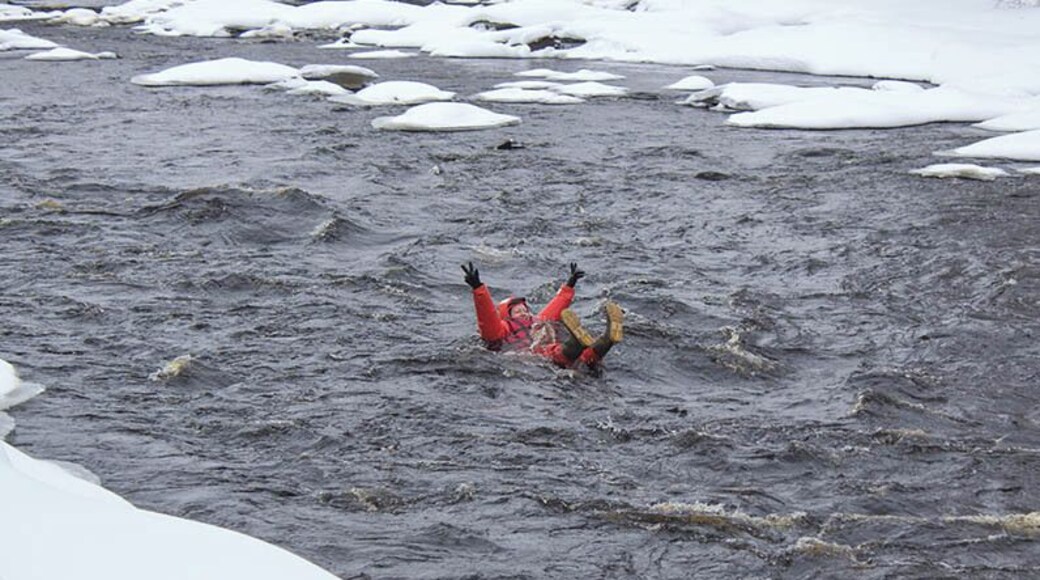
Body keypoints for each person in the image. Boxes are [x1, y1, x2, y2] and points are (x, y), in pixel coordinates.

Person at [461, 261, 623, 367]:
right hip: (528, 355)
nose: (524, 313)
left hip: (552, 358)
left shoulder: (537, 320)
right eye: (518, 311)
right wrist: (478, 288)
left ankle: (608, 339)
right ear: (507, 316)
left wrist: (570, 283)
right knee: (558, 351)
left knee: (587, 356)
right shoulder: (503, 329)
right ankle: (579, 341)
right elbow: (487, 318)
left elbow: (557, 304)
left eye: (525, 309)